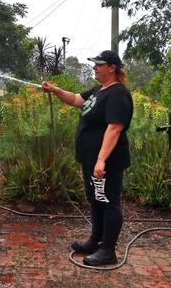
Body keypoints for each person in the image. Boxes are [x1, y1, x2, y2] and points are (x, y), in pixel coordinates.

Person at [42, 50, 133, 266]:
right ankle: (95, 241)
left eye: (99, 64)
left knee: (107, 202)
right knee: (95, 199)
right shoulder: (99, 91)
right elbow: (75, 99)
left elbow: (114, 128)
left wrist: (101, 160)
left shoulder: (118, 94)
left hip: (107, 161)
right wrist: (55, 90)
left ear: (112, 67)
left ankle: (108, 251)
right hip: (90, 158)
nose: (94, 67)